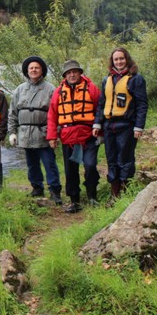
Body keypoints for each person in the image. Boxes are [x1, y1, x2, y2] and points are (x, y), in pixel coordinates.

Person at [92, 47, 148, 201]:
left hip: (127, 126)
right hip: (109, 126)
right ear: (112, 62)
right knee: (111, 159)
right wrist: (97, 124)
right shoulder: (107, 79)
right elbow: (102, 104)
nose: (119, 62)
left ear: (127, 59)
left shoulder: (136, 79)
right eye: (116, 59)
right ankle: (114, 194)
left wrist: (139, 127)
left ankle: (125, 192)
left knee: (125, 159)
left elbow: (142, 105)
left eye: (121, 59)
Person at [47, 60, 101, 213]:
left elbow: (100, 109)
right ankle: (74, 201)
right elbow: (52, 115)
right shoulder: (58, 91)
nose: (72, 74)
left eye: (74, 71)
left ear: (80, 73)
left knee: (90, 165)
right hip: (68, 137)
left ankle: (92, 195)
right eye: (69, 72)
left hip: (88, 135)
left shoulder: (91, 88)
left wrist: (101, 132)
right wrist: (52, 137)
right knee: (70, 170)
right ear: (65, 75)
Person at [9, 56, 62, 204]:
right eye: (31, 68)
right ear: (27, 71)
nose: (33, 70)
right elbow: (13, 112)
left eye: (36, 68)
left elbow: (57, 113)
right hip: (25, 134)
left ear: (42, 70)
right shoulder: (20, 89)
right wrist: (12, 132)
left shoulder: (50, 89)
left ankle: (55, 190)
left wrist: (55, 133)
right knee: (32, 164)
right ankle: (37, 187)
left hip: (44, 133)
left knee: (49, 163)